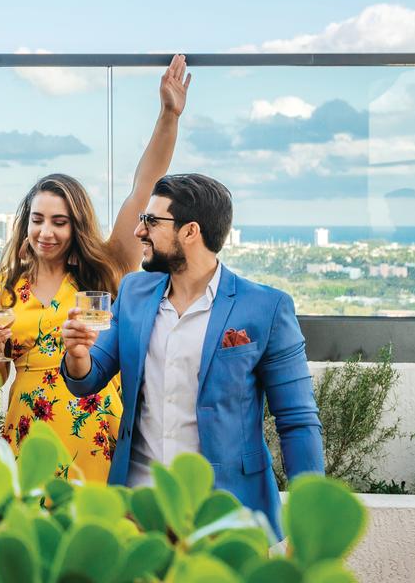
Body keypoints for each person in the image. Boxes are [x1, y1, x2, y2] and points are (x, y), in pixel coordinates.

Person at [0, 54, 191, 482]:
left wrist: (168, 116)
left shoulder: (106, 268)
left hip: (98, 433)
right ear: (25, 221)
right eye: (37, 219)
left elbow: (144, 186)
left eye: (59, 221)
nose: (45, 231)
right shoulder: (4, 288)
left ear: (77, 224)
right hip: (29, 434)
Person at [60, 173, 324, 537]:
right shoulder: (134, 292)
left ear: (191, 231)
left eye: (151, 221)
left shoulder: (265, 308)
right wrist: (77, 354)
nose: (140, 232)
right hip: (139, 510)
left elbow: (297, 422)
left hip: (226, 514)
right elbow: (89, 377)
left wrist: (310, 523)